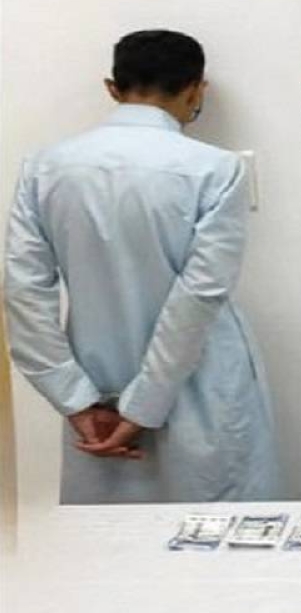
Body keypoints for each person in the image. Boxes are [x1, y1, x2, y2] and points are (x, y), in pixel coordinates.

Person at [4, 30, 281, 503]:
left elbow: (23, 291)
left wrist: (73, 398)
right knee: (221, 533)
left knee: (110, 537)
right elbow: (200, 296)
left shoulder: (45, 168)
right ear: (196, 89)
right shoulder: (216, 169)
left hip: (95, 391)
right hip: (201, 383)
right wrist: (145, 404)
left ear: (112, 88)